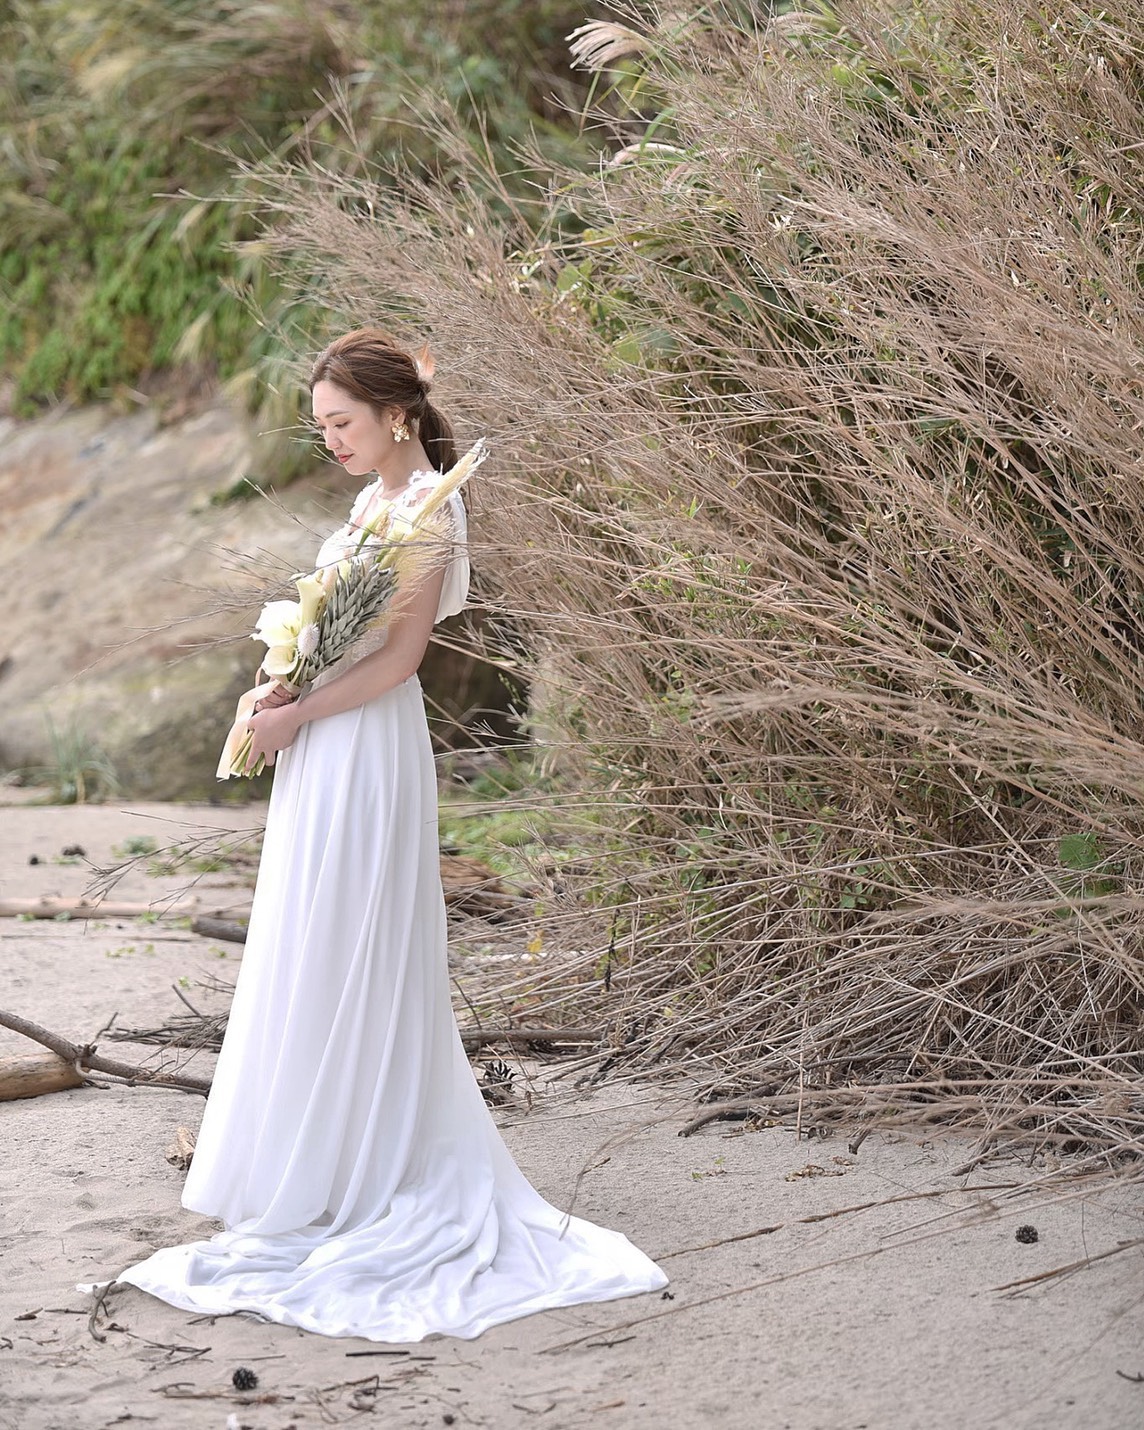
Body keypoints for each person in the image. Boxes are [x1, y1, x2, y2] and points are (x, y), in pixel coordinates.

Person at [95, 329, 667, 1341]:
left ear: (395, 413)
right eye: (319, 429)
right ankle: (312, 1158)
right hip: (322, 739)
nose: (332, 444)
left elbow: (400, 661)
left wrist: (298, 714)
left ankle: (371, 1160)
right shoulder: (370, 504)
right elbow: (334, 631)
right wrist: (285, 681)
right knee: (312, 938)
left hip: (365, 748)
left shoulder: (431, 511)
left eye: (342, 423)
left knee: (360, 939)